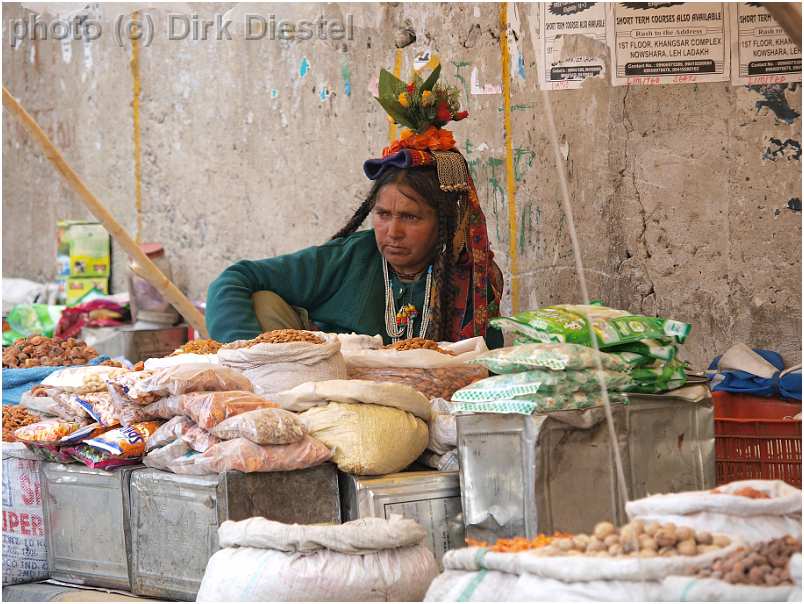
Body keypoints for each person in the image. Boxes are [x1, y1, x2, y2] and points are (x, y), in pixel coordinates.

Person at [206, 65, 504, 348]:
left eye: (411, 217)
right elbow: (233, 279)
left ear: (446, 222)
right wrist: (246, 351)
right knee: (264, 303)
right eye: (383, 214)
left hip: (431, 393)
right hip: (335, 395)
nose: (393, 231)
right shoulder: (351, 258)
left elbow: (486, 367)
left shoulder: (472, 279)